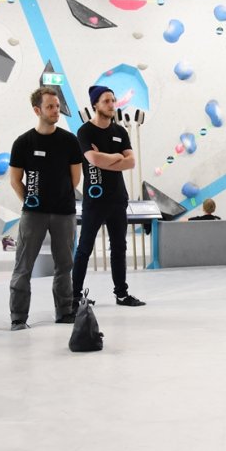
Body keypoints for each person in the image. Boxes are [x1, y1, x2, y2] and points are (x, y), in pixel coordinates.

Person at [7, 87, 84, 330]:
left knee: (65, 265)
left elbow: (75, 179)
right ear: (37, 110)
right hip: (33, 214)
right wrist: (29, 201)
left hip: (64, 213)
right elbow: (15, 180)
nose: (55, 110)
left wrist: (58, 197)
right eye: (50, 106)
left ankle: (64, 312)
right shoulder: (23, 143)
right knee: (23, 266)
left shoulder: (69, 141)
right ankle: (18, 317)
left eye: (57, 106)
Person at [71, 86, 145, 308]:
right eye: (106, 101)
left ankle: (121, 294)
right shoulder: (85, 132)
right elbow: (93, 160)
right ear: (95, 104)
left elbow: (131, 162)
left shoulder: (120, 132)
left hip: (117, 199)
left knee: (119, 247)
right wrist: (116, 157)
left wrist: (107, 158)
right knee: (84, 248)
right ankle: (74, 297)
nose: (112, 104)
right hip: (95, 200)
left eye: (113, 100)